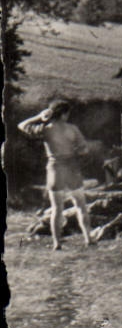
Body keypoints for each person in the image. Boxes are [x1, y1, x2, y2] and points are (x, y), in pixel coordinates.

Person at [19, 97, 96, 249]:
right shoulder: (72, 129)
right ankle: (88, 239)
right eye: (67, 113)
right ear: (64, 114)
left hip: (54, 169)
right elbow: (84, 150)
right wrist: (75, 152)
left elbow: (22, 126)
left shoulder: (45, 129)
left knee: (57, 209)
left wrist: (39, 117)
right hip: (72, 168)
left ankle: (57, 243)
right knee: (81, 205)